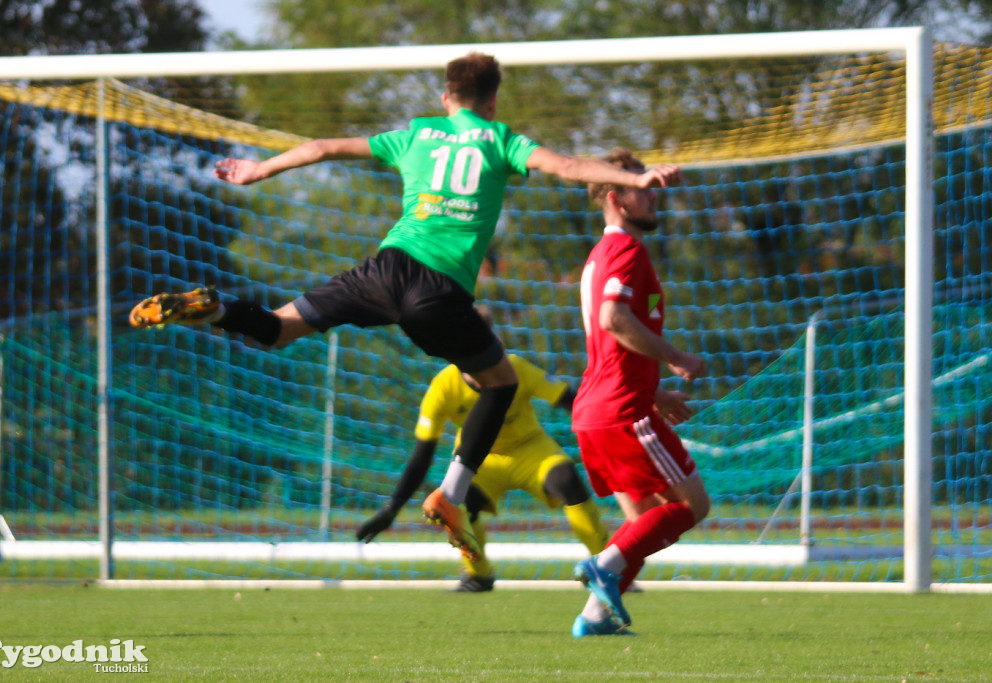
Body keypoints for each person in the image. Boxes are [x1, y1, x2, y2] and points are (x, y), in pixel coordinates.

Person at [129, 53, 677, 561]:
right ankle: (452, 494)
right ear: (491, 102)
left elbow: (321, 147)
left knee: (276, 328)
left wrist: (257, 171)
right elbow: (570, 165)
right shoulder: (498, 138)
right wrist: (635, 177)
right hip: (436, 289)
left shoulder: (417, 133)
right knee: (501, 383)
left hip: (383, 268)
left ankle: (217, 308)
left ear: (445, 98)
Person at [355, 306, 608, 591]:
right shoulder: (443, 388)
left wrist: (607, 431)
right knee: (457, 502)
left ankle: (608, 567)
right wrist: (391, 509)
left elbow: (569, 400)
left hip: (531, 451)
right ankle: (479, 574)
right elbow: (422, 455)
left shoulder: (517, 368)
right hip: (479, 461)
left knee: (567, 480)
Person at [570, 148, 709, 637]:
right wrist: (675, 357)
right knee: (692, 506)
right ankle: (602, 566)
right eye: (642, 189)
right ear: (616, 199)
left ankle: (594, 618)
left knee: (644, 522)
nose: (654, 197)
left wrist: (654, 392)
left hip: (598, 409)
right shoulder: (624, 250)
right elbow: (614, 320)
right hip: (622, 411)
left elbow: (606, 342)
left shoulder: (596, 259)